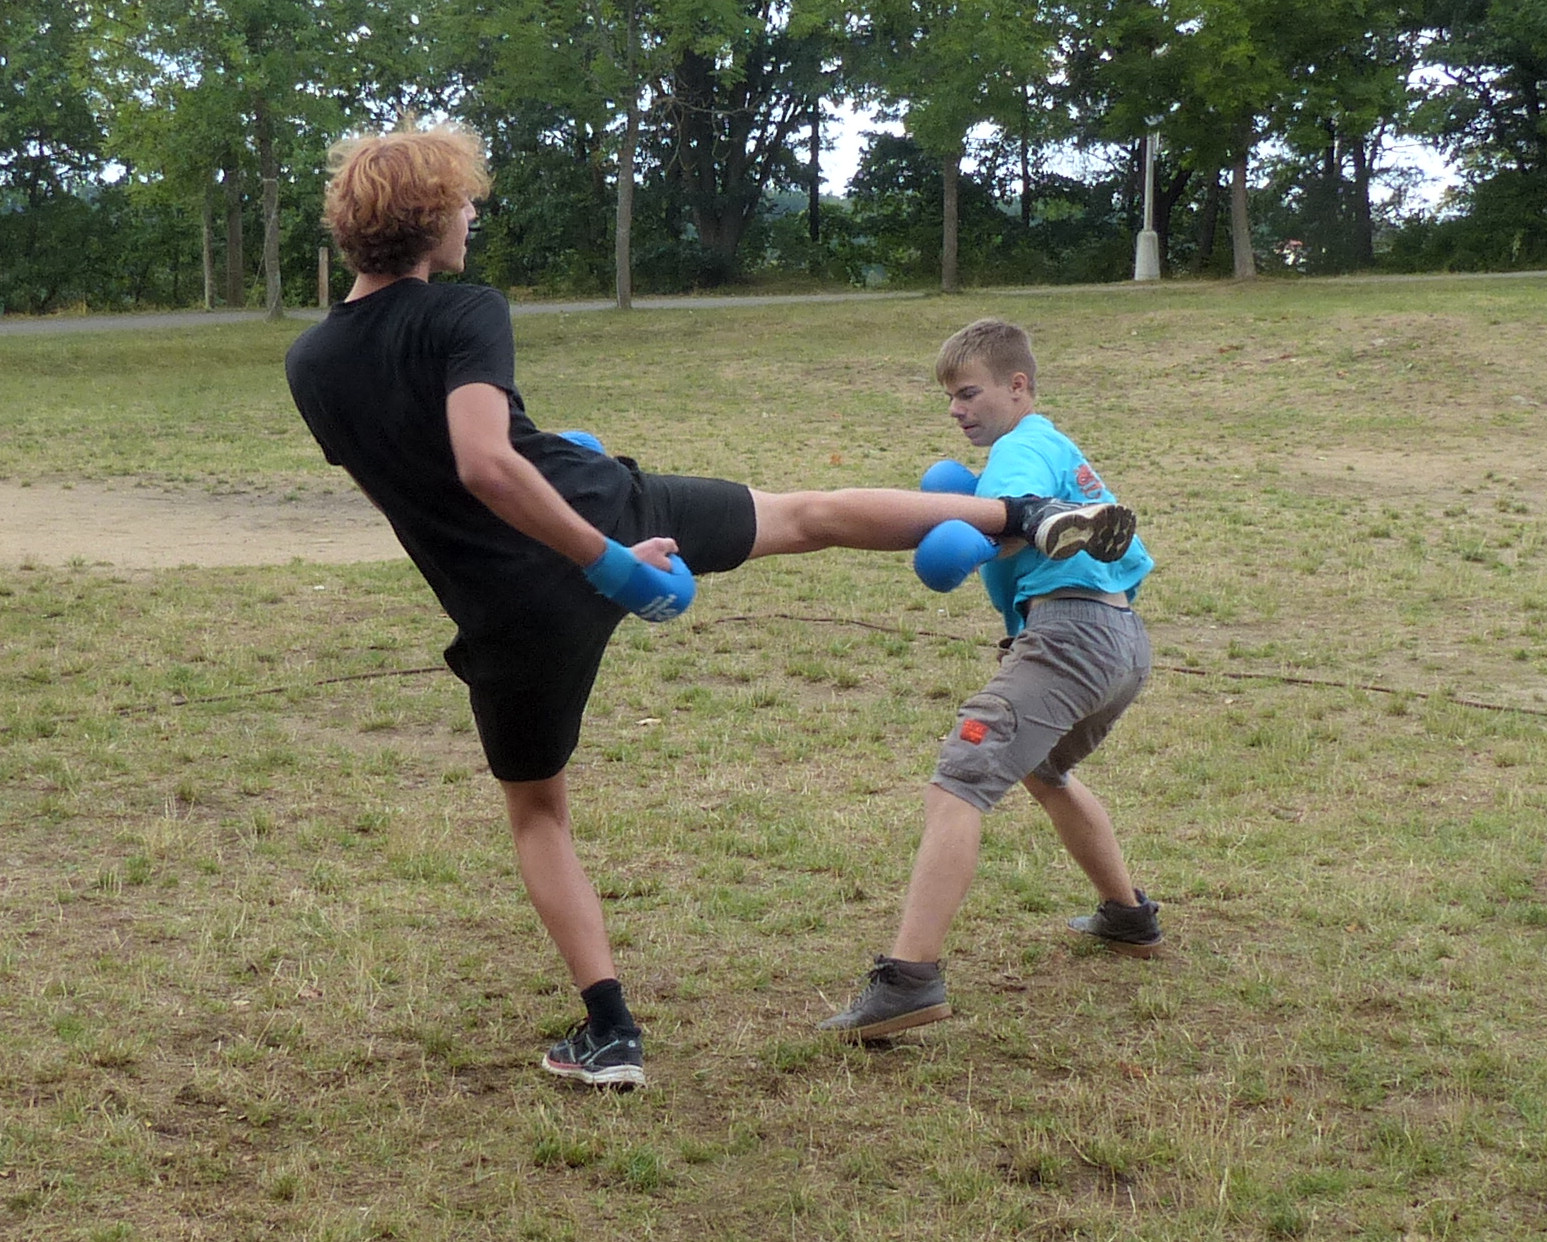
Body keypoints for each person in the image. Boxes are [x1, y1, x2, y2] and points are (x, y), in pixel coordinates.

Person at [283, 122, 1136, 1089]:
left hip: (503, 602)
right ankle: (1025, 514)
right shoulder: (463, 310)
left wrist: (551, 514)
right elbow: (484, 461)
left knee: (539, 815)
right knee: (806, 514)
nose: (473, 214)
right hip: (600, 520)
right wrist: (608, 560)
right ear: (431, 214)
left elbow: (416, 481)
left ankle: (610, 1032)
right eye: (464, 202)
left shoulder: (310, 362)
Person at [821, 318, 1161, 1042]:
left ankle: (909, 980)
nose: (956, 409)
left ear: (1018, 386)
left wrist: (969, 541)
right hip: (1123, 642)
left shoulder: (1019, 449)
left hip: (1068, 637)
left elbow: (1008, 521)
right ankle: (1127, 916)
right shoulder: (1053, 443)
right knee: (1044, 771)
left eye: (969, 393)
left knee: (959, 779)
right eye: (950, 397)